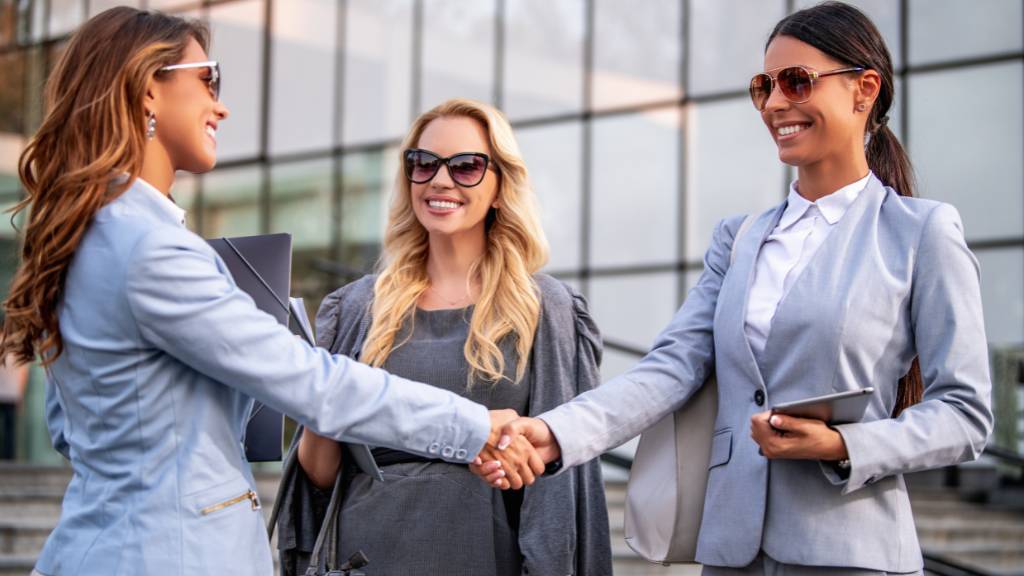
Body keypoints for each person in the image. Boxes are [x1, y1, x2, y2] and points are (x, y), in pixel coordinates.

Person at [0, 9, 526, 575]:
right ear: (149, 88)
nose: (219, 105)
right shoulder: (151, 250)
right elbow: (312, 384)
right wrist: (474, 426)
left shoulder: (96, 234)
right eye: (209, 79)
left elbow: (67, 427)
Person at [483, 3, 994, 574]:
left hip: (853, 553)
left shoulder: (921, 232)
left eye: (797, 82)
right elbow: (670, 368)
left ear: (864, 89)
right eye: (764, 86)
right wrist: (554, 432)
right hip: (730, 553)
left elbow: (965, 413)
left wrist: (845, 446)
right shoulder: (739, 238)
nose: (776, 104)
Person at [279, 98, 612, 575]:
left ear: (500, 187)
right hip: (369, 552)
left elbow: (564, 482)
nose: (440, 180)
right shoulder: (355, 309)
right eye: (423, 163)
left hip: (485, 553)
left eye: (466, 166)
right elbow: (321, 474)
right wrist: (320, 396)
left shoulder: (547, 309)